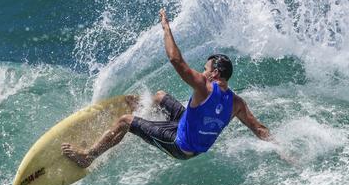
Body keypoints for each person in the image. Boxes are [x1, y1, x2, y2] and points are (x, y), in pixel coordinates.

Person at [61, 9, 272, 168]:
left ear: (215, 73)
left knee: (125, 121)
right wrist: (281, 150)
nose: (203, 71)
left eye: (205, 69)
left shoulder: (204, 86)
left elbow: (175, 59)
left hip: (181, 147)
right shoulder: (236, 103)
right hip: (190, 133)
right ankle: (145, 113)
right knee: (161, 96)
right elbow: (260, 129)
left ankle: (88, 156)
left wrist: (166, 28)